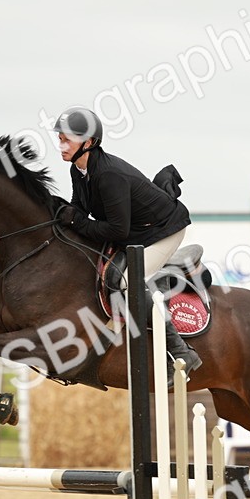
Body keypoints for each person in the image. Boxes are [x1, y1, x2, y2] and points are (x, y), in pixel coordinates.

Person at [52, 106, 200, 383]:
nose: (61, 145)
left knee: (126, 282)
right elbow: (79, 210)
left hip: (162, 231)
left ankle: (182, 351)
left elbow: (116, 230)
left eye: (66, 140)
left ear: (89, 142)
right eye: (60, 139)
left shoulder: (108, 175)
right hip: (134, 232)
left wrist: (76, 222)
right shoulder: (78, 169)